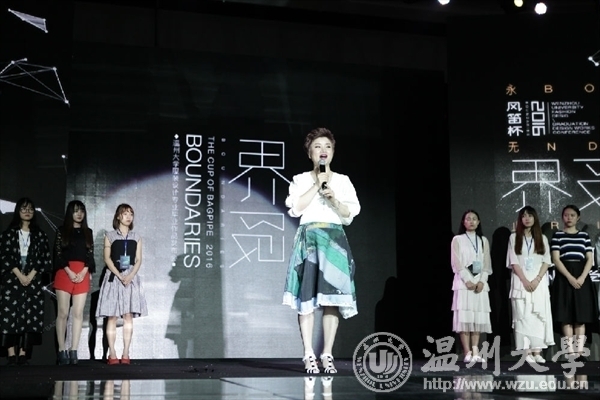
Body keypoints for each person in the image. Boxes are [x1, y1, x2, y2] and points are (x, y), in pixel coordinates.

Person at [282, 127, 361, 374]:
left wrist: (334, 198)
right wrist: (317, 184)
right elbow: (296, 207)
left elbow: (349, 214)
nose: (323, 150)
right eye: (317, 146)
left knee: (331, 300)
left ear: (333, 152)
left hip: (333, 241)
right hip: (309, 240)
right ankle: (308, 355)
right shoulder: (300, 179)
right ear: (310, 153)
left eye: (327, 146)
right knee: (306, 300)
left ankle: (327, 354)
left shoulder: (343, 181)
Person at [0, 197, 52, 366]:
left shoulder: (40, 235)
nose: (27, 212)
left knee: (29, 316)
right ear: (18, 211)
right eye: (24, 209)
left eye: (30, 209)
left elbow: (44, 258)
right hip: (12, 280)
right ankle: (10, 354)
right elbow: (4, 257)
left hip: (33, 281)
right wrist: (19, 274)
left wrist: (30, 275)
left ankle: (23, 353)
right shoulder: (8, 234)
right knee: (10, 315)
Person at [95, 204, 147, 365]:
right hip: (114, 276)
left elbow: (138, 260)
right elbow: (107, 258)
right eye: (125, 213)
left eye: (131, 213)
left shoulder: (136, 236)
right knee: (112, 316)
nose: (128, 216)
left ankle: (126, 353)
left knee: (128, 316)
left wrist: (130, 275)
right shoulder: (110, 235)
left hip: (130, 277)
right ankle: (112, 353)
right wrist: (119, 275)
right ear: (118, 216)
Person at [506, 206, 554, 364]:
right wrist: (525, 281)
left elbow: (546, 261)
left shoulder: (542, 238)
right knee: (523, 316)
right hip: (521, 282)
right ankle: (526, 352)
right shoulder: (514, 237)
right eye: (524, 216)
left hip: (538, 283)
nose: (527, 219)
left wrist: (537, 279)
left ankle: (537, 351)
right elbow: (514, 262)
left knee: (537, 317)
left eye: (530, 216)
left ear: (535, 218)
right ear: (520, 219)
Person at [551, 204, 598, 362]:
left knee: (581, 316)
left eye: (572, 215)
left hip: (582, 277)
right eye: (566, 215)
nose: (569, 218)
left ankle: (579, 350)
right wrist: (570, 277)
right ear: (562, 217)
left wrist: (582, 277)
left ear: (578, 217)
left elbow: (589, 259)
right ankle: (569, 350)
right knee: (566, 316)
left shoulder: (584, 236)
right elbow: (556, 259)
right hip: (564, 277)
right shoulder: (558, 235)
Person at [53, 200, 96, 365]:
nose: (79, 214)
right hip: (64, 272)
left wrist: (84, 271)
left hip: (82, 273)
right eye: (76, 210)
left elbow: (90, 254)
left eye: (82, 211)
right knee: (63, 313)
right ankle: (61, 350)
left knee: (78, 313)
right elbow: (58, 253)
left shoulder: (88, 232)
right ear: (70, 212)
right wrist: (69, 271)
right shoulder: (62, 231)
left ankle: (74, 350)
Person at [450, 209, 493, 363]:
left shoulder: (483, 240)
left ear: (478, 222)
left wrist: (482, 281)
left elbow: (486, 264)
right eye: (468, 219)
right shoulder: (457, 239)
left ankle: (476, 351)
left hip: (479, 284)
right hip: (463, 284)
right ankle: (467, 352)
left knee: (477, 316)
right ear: (463, 222)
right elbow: (456, 262)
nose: (471, 221)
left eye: (474, 218)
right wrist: (467, 280)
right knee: (465, 317)